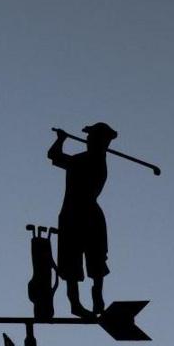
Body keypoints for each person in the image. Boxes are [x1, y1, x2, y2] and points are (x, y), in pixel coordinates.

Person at [47, 123, 115, 317]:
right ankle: (79, 304)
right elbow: (54, 156)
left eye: (92, 138)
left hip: (81, 214)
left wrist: (60, 140)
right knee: (72, 263)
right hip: (75, 214)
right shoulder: (86, 159)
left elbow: (54, 155)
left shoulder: (90, 161)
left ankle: (95, 301)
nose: (88, 140)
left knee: (93, 259)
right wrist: (60, 140)